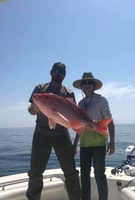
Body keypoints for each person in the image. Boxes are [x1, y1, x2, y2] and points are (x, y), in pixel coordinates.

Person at [26, 62, 81, 200]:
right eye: (56, 70)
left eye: (62, 72)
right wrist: (35, 109)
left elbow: (73, 114)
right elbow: (30, 110)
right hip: (41, 134)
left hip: (62, 135)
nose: (58, 74)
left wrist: (83, 126)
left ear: (64, 75)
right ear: (51, 72)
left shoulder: (69, 93)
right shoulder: (40, 89)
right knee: (35, 173)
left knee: (71, 171)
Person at [72, 72, 115, 200]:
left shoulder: (101, 100)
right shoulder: (80, 104)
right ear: (81, 86)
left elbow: (110, 121)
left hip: (99, 144)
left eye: (89, 82)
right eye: (84, 83)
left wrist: (112, 142)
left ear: (94, 85)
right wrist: (74, 145)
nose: (87, 85)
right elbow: (79, 127)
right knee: (84, 175)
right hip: (84, 145)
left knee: (99, 174)